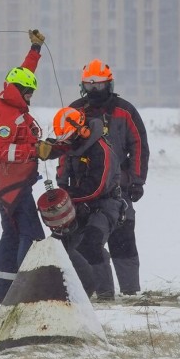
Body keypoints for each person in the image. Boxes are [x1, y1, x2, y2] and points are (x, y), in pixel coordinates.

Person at [69, 59, 149, 296]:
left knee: (124, 239)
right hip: (83, 189)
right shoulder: (75, 111)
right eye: (90, 86)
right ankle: (98, 293)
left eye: (99, 85)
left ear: (109, 84)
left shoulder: (125, 111)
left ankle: (131, 293)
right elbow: (64, 147)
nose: (95, 90)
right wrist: (65, 184)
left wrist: (137, 180)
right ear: (83, 86)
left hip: (119, 187)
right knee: (86, 240)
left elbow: (139, 146)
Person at [0, 29, 48, 304]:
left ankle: (0, 292)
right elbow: (1, 150)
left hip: (2, 183)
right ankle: (25, 292)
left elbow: (21, 73)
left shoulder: (7, 97)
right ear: (19, 91)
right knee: (31, 236)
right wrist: (34, 150)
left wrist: (35, 50)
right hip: (13, 183)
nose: (30, 97)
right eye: (28, 93)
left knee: (11, 233)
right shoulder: (9, 116)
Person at [46, 107, 125, 299]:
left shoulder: (101, 150)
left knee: (91, 242)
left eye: (70, 138)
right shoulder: (70, 148)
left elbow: (96, 188)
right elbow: (63, 177)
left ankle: (105, 295)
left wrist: (69, 197)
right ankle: (74, 291)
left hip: (106, 204)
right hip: (81, 204)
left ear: (82, 130)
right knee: (58, 243)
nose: (67, 143)